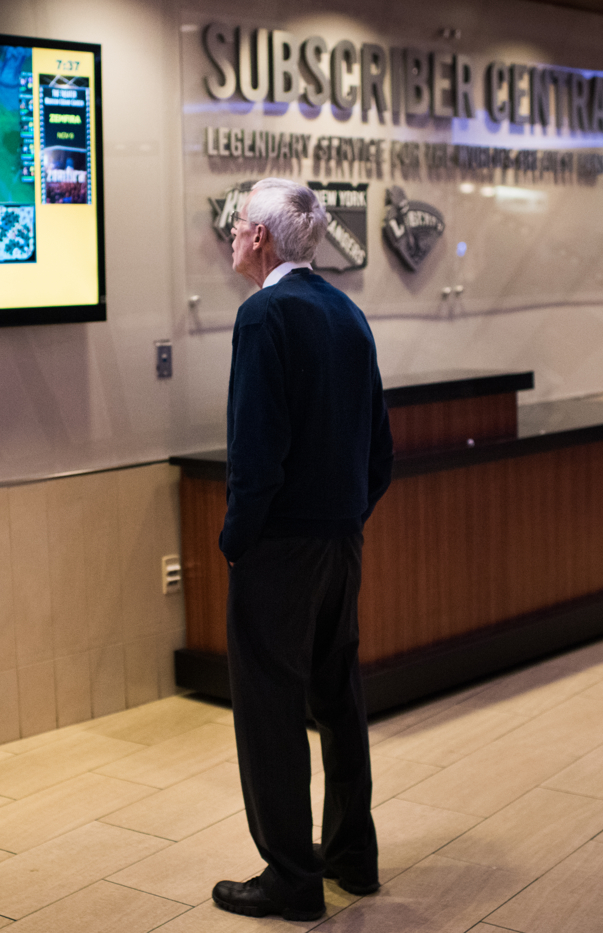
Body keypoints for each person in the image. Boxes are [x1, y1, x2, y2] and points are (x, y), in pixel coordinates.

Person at [210, 179, 393, 922]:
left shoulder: (264, 316)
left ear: (259, 238)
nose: (230, 231)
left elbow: (256, 454)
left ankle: (291, 875)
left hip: (280, 551)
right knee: (336, 699)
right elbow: (379, 447)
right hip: (340, 541)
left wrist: (234, 541)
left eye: (236, 221)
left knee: (271, 711)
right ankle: (352, 855)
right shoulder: (347, 313)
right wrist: (345, 517)